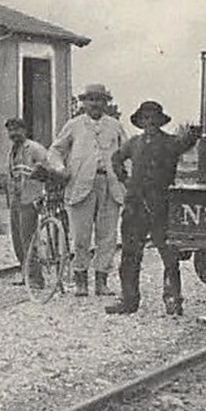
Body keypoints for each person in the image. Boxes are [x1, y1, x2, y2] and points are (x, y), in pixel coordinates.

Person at [108, 101, 201, 315]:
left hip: (161, 205)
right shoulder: (133, 143)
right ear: (140, 122)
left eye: (153, 119)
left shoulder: (171, 143)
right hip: (135, 205)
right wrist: (125, 180)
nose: (149, 122)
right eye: (145, 119)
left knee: (169, 255)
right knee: (130, 255)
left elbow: (186, 141)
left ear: (160, 121)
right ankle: (129, 301)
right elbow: (116, 158)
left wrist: (194, 133)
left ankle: (173, 300)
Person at [50, 83, 126, 297]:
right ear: (84, 102)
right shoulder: (74, 125)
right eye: (91, 99)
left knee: (108, 236)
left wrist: (126, 178)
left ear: (106, 102)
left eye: (100, 99)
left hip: (109, 185)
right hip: (80, 185)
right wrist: (60, 168)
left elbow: (126, 153)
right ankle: (80, 280)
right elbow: (55, 150)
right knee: (81, 236)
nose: (95, 104)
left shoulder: (114, 125)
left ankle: (102, 281)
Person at [5, 116, 64, 280]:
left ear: (24, 130)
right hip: (17, 198)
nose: (13, 133)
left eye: (17, 130)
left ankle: (36, 277)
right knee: (17, 239)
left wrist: (42, 181)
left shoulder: (34, 148)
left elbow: (50, 167)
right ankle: (26, 272)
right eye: (10, 130)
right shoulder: (12, 151)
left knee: (28, 238)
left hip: (32, 197)